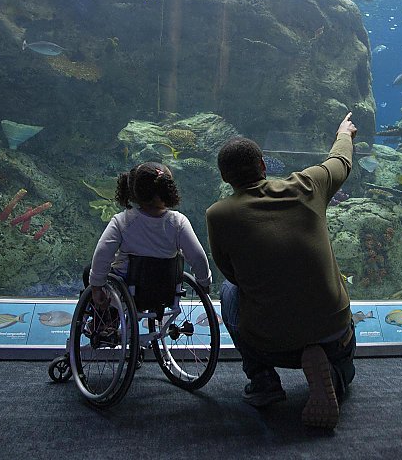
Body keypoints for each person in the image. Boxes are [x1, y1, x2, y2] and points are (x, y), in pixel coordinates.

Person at [206, 112, 358, 429]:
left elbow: (232, 273)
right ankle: (333, 373)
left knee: (229, 292)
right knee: (343, 358)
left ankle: (264, 382)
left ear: (225, 179)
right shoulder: (307, 185)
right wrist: (344, 133)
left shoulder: (218, 214)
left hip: (271, 343)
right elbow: (340, 162)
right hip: (335, 332)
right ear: (263, 165)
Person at [87, 162, 212, 308]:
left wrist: (97, 286)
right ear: (168, 190)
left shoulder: (122, 222)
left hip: (126, 293)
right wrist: (204, 283)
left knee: (89, 272)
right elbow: (197, 256)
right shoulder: (178, 222)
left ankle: (105, 321)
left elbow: (102, 253)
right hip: (166, 290)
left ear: (133, 190)